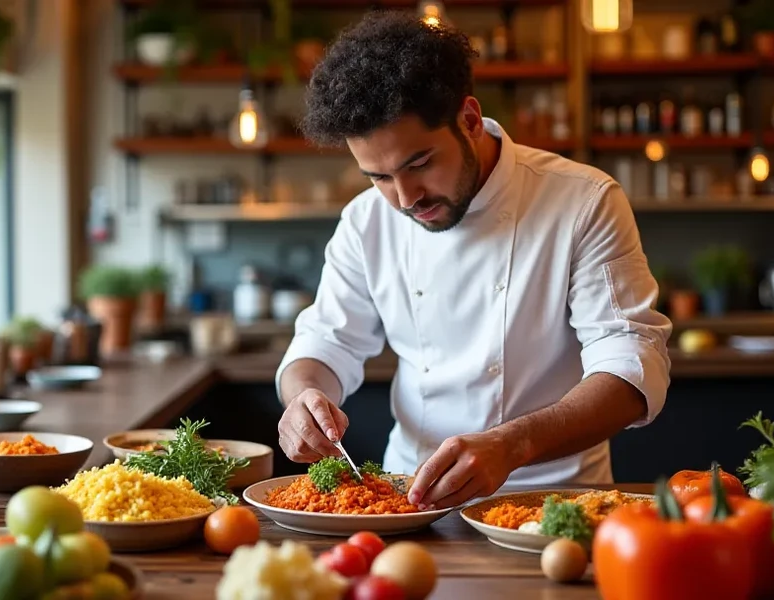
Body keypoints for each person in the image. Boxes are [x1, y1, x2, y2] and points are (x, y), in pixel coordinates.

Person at [274, 11, 672, 511]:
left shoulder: (583, 200)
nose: (404, 198)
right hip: (410, 501)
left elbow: (631, 366)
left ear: (467, 119)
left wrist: (513, 445)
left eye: (419, 164)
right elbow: (324, 343)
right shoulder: (366, 221)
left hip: (551, 504)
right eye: (377, 176)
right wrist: (303, 398)